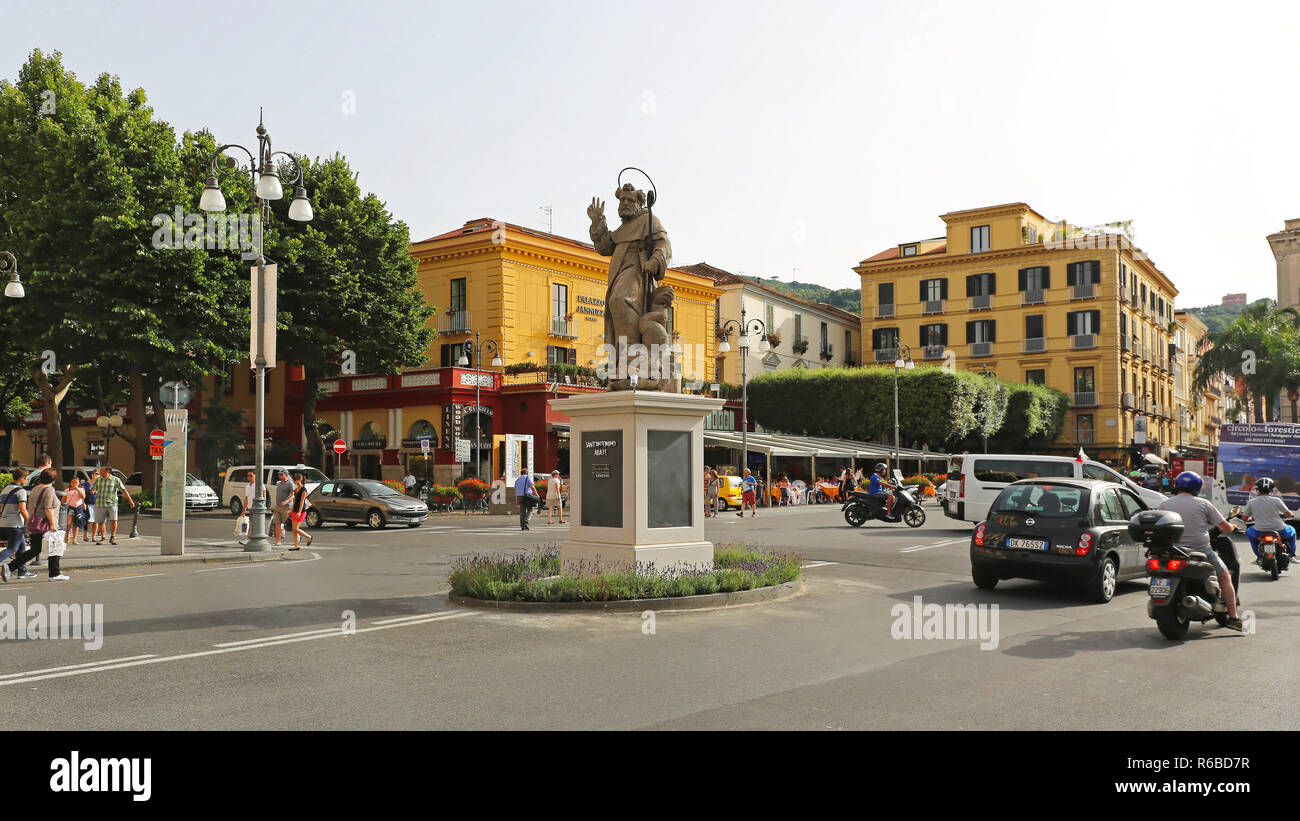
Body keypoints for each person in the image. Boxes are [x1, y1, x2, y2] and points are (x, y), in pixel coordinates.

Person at [1159, 471, 1243, 631]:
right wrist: (1232, 526)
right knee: (1225, 576)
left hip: (1173, 551)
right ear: (1197, 487)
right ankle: (1233, 617)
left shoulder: (1165, 504)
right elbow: (1224, 527)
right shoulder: (1203, 504)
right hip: (1201, 550)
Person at [10, 468, 66, 580]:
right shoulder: (49, 490)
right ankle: (54, 573)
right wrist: (53, 525)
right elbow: (48, 508)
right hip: (45, 524)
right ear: (53, 479)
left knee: (34, 550)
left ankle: (9, 567)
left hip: (35, 523)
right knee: (54, 546)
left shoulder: (35, 489)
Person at [1240, 476, 1298, 561]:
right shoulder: (1277, 500)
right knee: (1292, 531)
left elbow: (1244, 519)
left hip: (1259, 531)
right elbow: (1288, 513)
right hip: (1280, 530)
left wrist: (1250, 519)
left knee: (1249, 531)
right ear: (1271, 489)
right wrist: (1287, 515)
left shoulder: (1251, 502)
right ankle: (1292, 555)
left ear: (1257, 489)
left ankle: (1259, 556)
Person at [91, 464, 134, 545]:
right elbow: (92, 489)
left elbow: (123, 490)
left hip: (112, 503)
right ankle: (103, 538)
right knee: (100, 521)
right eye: (100, 470)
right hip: (100, 503)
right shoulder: (98, 480)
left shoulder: (116, 480)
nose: (100, 472)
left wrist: (130, 500)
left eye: (102, 470)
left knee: (113, 520)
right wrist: (92, 490)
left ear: (108, 471)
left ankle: (112, 537)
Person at [0, 468, 30, 582]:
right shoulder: (21, 491)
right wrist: (31, 521)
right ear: (21, 478)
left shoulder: (5, 489)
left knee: (21, 548)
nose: (26, 481)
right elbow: (22, 509)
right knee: (12, 549)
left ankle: (22, 571)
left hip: (4, 523)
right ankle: (22, 571)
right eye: (26, 479)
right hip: (15, 524)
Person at [287, 471, 314, 550]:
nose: (294, 481)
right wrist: (292, 510)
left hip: (301, 511)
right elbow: (294, 501)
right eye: (293, 479)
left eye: (295, 479)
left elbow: (302, 502)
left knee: (295, 529)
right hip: (295, 510)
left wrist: (299, 512)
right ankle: (296, 546)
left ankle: (308, 537)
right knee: (293, 529)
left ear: (300, 479)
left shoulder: (303, 490)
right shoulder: (296, 490)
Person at [272, 469, 294, 546]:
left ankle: (298, 537)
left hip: (286, 507)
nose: (280, 476)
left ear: (286, 475)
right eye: (279, 474)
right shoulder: (279, 483)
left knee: (290, 525)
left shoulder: (290, 483)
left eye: (281, 474)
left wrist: (286, 501)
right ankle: (278, 541)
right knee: (277, 524)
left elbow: (292, 496)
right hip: (278, 507)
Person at [64, 476, 87, 548]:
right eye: (73, 482)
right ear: (70, 483)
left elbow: (83, 496)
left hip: (78, 508)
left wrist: (77, 489)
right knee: (68, 523)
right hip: (69, 507)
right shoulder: (67, 490)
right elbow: (63, 499)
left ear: (79, 483)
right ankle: (67, 536)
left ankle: (74, 539)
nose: (74, 484)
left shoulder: (81, 489)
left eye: (76, 482)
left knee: (76, 523)